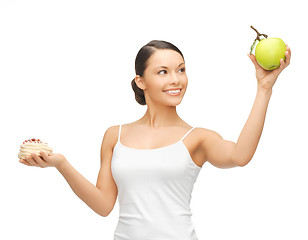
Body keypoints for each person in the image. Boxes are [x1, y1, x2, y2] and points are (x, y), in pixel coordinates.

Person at [19, 40, 291, 240]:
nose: (176, 80)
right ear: (140, 81)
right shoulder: (115, 135)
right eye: (163, 72)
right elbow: (103, 205)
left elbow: (240, 156)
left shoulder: (196, 138)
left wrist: (264, 88)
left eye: (181, 70)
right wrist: (60, 163)